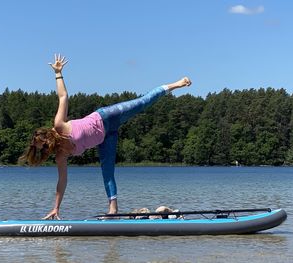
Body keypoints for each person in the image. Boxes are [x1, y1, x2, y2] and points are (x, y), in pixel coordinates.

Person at [19, 54, 191, 219]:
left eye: (43, 142)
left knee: (143, 102)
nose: (44, 146)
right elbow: (62, 182)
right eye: (41, 148)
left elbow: (63, 96)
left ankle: (176, 84)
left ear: (47, 136)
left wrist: (58, 73)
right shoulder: (60, 156)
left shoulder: (59, 125)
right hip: (105, 139)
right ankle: (113, 211)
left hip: (106, 117)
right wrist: (56, 208)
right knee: (107, 172)